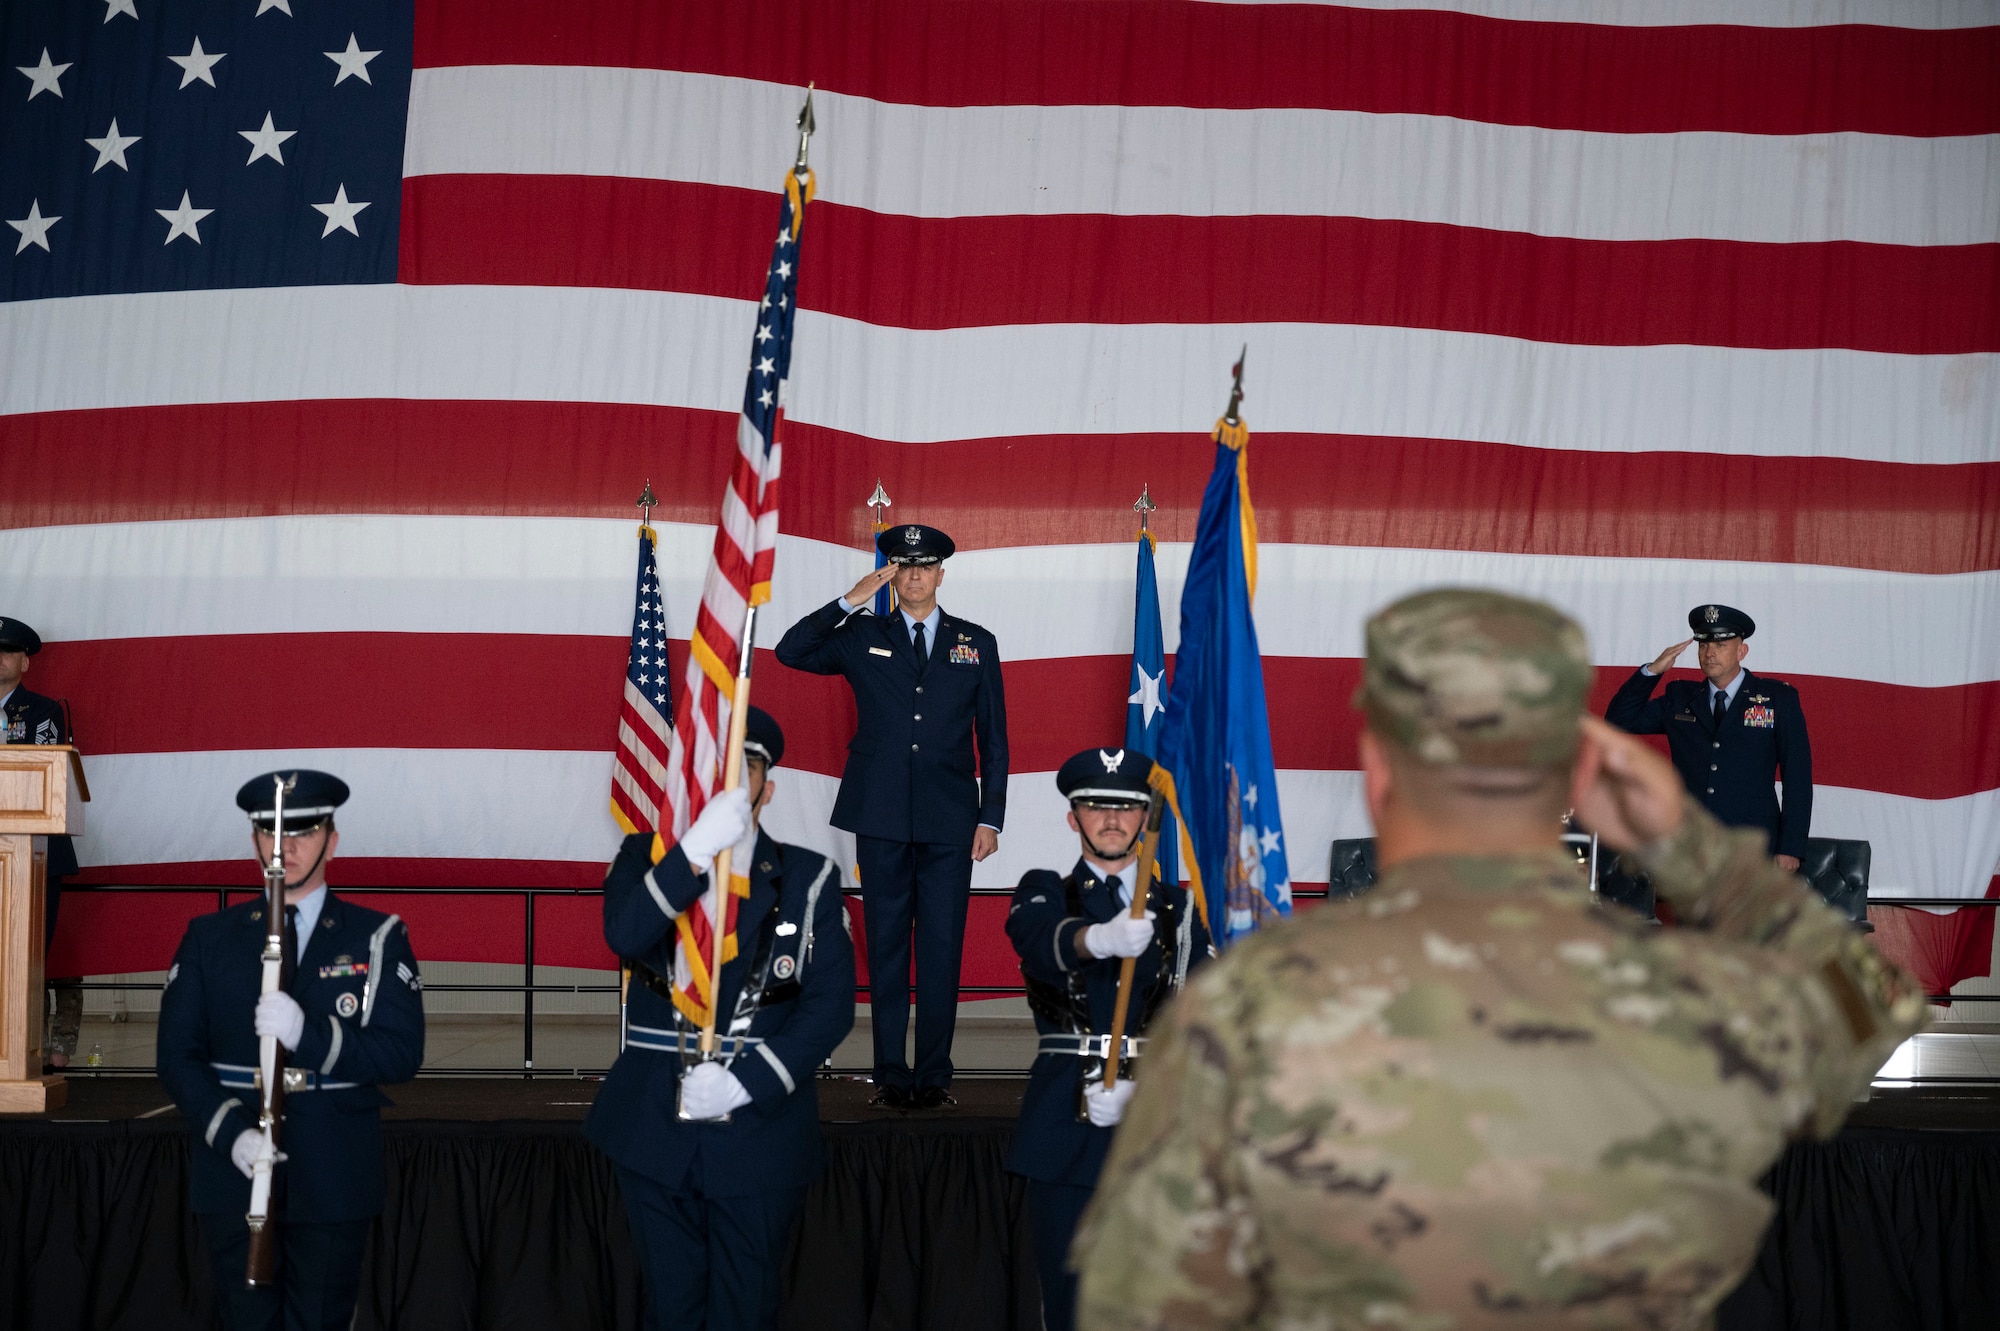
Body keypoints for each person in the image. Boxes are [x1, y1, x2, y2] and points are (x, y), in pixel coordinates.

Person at [1073, 588, 1924, 1331]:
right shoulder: (1678, 992)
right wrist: (1703, 857)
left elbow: (1140, 1300)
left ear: (1378, 773)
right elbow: (1870, 1011)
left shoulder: (1247, 1005)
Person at [586, 706, 856, 1331]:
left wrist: (747, 1082)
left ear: (769, 786)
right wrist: (694, 853)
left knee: (747, 1307)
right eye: (718, 767)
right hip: (653, 1121)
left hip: (761, 1131)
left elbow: (829, 1008)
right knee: (669, 1309)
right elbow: (625, 935)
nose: (733, 778)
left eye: (749, 765)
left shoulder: (808, 878)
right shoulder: (642, 857)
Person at [156, 769, 425, 1331]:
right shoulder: (211, 938)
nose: (288, 848)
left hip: (333, 1170)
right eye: (273, 834)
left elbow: (402, 1054)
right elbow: (177, 1056)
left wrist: (312, 1035)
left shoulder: (376, 936)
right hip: (235, 1172)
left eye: (304, 832)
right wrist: (233, 1134)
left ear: (333, 838)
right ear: (254, 840)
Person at [775, 522, 1008, 1110]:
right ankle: (889, 1076)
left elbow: (995, 741)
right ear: (892, 575)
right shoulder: (862, 634)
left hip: (952, 819)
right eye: (903, 567)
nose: (914, 577)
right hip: (879, 816)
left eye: (924, 567)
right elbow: (790, 650)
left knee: (941, 947)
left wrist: (992, 818)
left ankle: (933, 1076)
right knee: (885, 948)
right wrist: (849, 600)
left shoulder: (975, 641)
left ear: (941, 574)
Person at [1006, 747, 1211, 1331]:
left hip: (1158, 1125)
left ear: (1147, 818)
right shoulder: (1044, 890)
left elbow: (1203, 1020)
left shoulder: (1178, 908)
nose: (1113, 819)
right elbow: (1036, 940)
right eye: (1097, 806)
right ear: (1074, 818)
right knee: (1070, 1302)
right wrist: (1097, 940)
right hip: (1064, 1124)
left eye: (1128, 807)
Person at [1606, 603, 1812, 871]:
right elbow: (1619, 721)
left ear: (1742, 651)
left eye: (1720, 645)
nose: (1709, 653)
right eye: (1703, 645)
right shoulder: (1681, 697)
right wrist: (1652, 671)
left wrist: (1790, 847)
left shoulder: (1777, 699)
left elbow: (1797, 777)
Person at [0, 617, 84, 1067]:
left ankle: (29, 1051)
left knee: (31, 954)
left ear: (25, 662)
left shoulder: (44, 712)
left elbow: (47, 776)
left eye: (7, 651)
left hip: (34, 852)